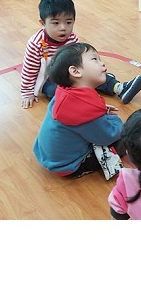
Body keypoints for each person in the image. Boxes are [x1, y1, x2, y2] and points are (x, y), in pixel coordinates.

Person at [21, 0, 141, 109]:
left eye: (68, 22)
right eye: (56, 23)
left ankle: (120, 88)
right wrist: (27, 92)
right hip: (50, 79)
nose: (63, 28)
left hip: (72, 72)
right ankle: (82, 102)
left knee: (95, 73)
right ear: (43, 23)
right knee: (55, 90)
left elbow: (79, 60)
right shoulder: (36, 44)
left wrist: (92, 70)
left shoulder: (72, 38)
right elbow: (29, 70)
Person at [33, 42, 125, 179]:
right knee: (124, 138)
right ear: (75, 71)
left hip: (47, 155)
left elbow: (79, 113)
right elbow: (108, 136)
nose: (102, 63)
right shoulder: (86, 111)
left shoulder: (64, 92)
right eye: (95, 59)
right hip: (68, 165)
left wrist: (100, 111)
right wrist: (117, 121)